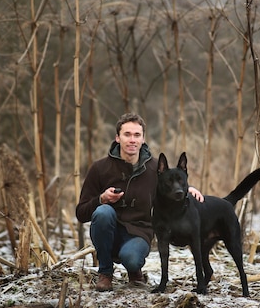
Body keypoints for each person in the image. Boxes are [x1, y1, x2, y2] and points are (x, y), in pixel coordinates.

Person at [75, 112, 204, 292]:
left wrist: (187, 190)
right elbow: (81, 213)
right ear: (117, 138)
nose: (132, 140)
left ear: (143, 139)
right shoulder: (100, 168)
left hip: (139, 231)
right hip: (108, 230)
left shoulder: (155, 168)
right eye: (127, 134)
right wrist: (101, 199)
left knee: (132, 258)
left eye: (137, 135)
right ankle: (105, 273)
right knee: (103, 213)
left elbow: (174, 184)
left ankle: (134, 270)